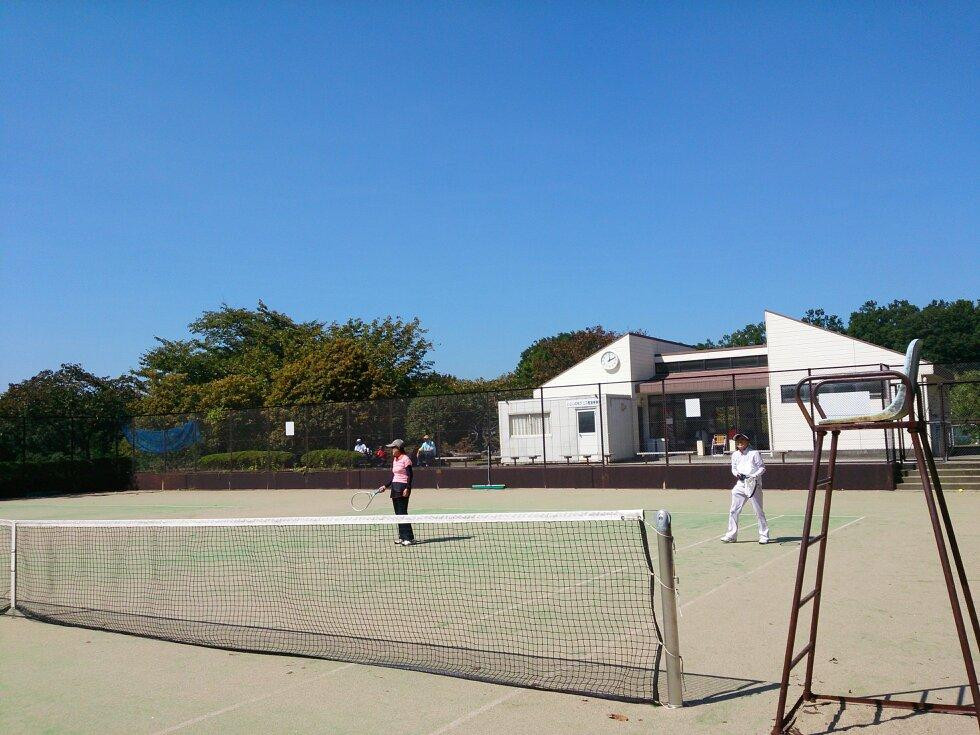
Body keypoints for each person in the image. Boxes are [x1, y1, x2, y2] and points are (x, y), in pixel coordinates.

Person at [722, 433, 770, 544]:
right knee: (733, 510)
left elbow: (762, 468)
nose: (739, 442)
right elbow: (733, 468)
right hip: (740, 484)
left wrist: (753, 476)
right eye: (738, 440)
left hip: (753, 484)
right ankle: (731, 535)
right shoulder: (735, 455)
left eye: (742, 440)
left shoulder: (754, 453)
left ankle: (764, 536)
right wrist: (737, 474)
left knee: (758, 511)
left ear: (747, 441)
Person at [381, 439, 415, 546]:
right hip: (394, 488)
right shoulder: (395, 460)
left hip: (403, 487)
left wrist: (407, 488)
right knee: (397, 514)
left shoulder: (406, 459)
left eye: (393, 448)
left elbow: (410, 475)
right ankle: (402, 536)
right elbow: (394, 477)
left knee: (403, 513)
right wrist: (385, 486)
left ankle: (408, 538)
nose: (391, 450)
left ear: (399, 448)